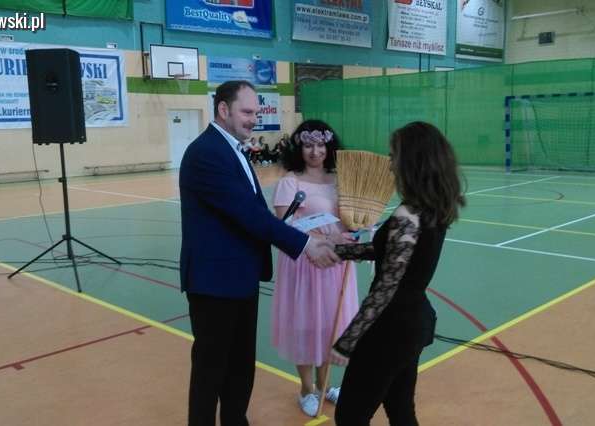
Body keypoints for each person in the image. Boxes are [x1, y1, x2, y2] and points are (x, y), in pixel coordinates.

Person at [178, 80, 339, 426]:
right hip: (214, 282)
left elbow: (254, 214)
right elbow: (248, 215)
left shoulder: (234, 150)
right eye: (247, 112)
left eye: (256, 112)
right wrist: (306, 244)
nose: (254, 119)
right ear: (224, 109)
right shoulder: (206, 152)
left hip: (241, 278)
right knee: (210, 369)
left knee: (239, 366)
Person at [330, 121, 466, 425]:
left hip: (389, 327)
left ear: (411, 161)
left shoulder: (407, 215)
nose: (390, 164)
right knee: (401, 409)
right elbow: (393, 255)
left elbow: (386, 288)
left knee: (350, 416)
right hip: (411, 324)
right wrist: (339, 251)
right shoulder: (432, 207)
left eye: (394, 156)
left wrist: (349, 339)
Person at [271, 120, 359, 417]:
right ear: (299, 148)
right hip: (305, 266)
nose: (315, 151)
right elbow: (285, 227)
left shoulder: (340, 180)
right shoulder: (290, 182)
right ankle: (307, 389)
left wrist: (357, 229)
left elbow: (349, 221)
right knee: (306, 325)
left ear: (329, 147)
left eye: (321, 145)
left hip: (335, 264)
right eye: (308, 145)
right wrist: (323, 238)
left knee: (328, 326)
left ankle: (325, 384)